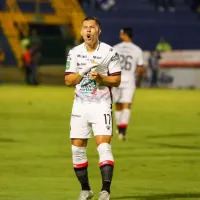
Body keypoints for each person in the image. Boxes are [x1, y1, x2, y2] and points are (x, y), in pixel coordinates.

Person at [65, 17, 121, 200]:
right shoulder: (74, 53)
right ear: (81, 32)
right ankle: (86, 189)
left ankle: (105, 191)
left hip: (101, 105)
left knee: (104, 146)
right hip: (80, 106)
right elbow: (68, 81)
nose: (88, 30)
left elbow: (117, 80)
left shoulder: (109, 52)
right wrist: (82, 72)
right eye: (85, 28)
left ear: (99, 31)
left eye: (92, 27)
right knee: (77, 150)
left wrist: (101, 78)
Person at [112, 27, 143, 141]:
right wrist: (139, 80)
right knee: (127, 105)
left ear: (124, 34)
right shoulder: (137, 50)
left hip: (116, 77)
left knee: (118, 105)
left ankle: (119, 128)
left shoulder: (115, 48)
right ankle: (122, 130)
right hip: (129, 79)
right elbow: (140, 68)